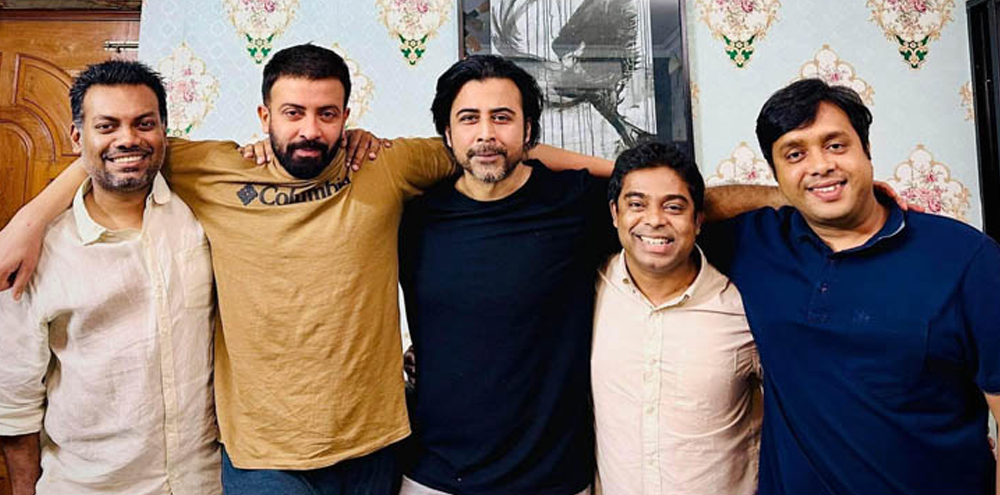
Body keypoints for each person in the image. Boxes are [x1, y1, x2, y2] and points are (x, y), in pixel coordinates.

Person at [0, 44, 609, 495]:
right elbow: (119, 146)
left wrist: (627, 174)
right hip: (264, 454)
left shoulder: (387, 164)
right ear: (263, 115)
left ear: (347, 115)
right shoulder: (213, 168)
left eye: (327, 113)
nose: (310, 130)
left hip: (375, 444)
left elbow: (493, 146)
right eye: (292, 112)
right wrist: (30, 219)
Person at [701, 78, 1000, 494]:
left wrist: (808, 185)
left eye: (836, 145)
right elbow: (679, 207)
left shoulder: (966, 257)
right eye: (795, 154)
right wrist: (791, 194)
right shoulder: (756, 242)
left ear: (867, 150)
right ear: (774, 171)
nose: (821, 164)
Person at [396, 54, 618, 495]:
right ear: (447, 133)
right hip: (433, 477)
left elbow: (668, 201)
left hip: (553, 479)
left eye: (502, 118)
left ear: (528, 130)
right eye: (469, 119)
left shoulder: (577, 202)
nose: (486, 134)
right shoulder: (412, 217)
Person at [0, 60, 220, 495]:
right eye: (107, 126)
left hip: (204, 482)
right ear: (77, 136)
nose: (128, 139)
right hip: (87, 485)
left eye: (144, 124)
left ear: (164, 131)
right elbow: (14, 401)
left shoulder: (202, 219)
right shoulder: (35, 253)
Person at [593, 142, 761, 495]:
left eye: (673, 207)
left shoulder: (742, 309)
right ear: (614, 214)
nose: (654, 220)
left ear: (698, 220)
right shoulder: (589, 291)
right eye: (636, 204)